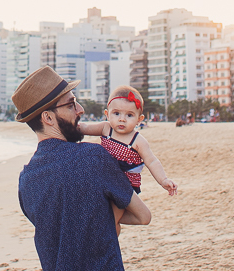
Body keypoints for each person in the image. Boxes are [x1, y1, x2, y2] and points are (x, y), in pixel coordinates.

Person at [15, 66, 152, 271]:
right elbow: (143, 216)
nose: (81, 110)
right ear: (48, 118)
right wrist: (102, 221)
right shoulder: (94, 157)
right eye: (71, 105)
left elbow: (59, 229)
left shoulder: (26, 181)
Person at [77, 85, 177, 231]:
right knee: (111, 222)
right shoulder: (106, 128)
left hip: (123, 187)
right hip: (103, 181)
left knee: (113, 221)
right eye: (116, 113)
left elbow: (152, 161)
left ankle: (105, 231)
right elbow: (84, 128)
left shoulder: (138, 140)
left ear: (139, 119)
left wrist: (163, 180)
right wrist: (67, 125)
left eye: (129, 115)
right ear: (107, 114)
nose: (122, 119)